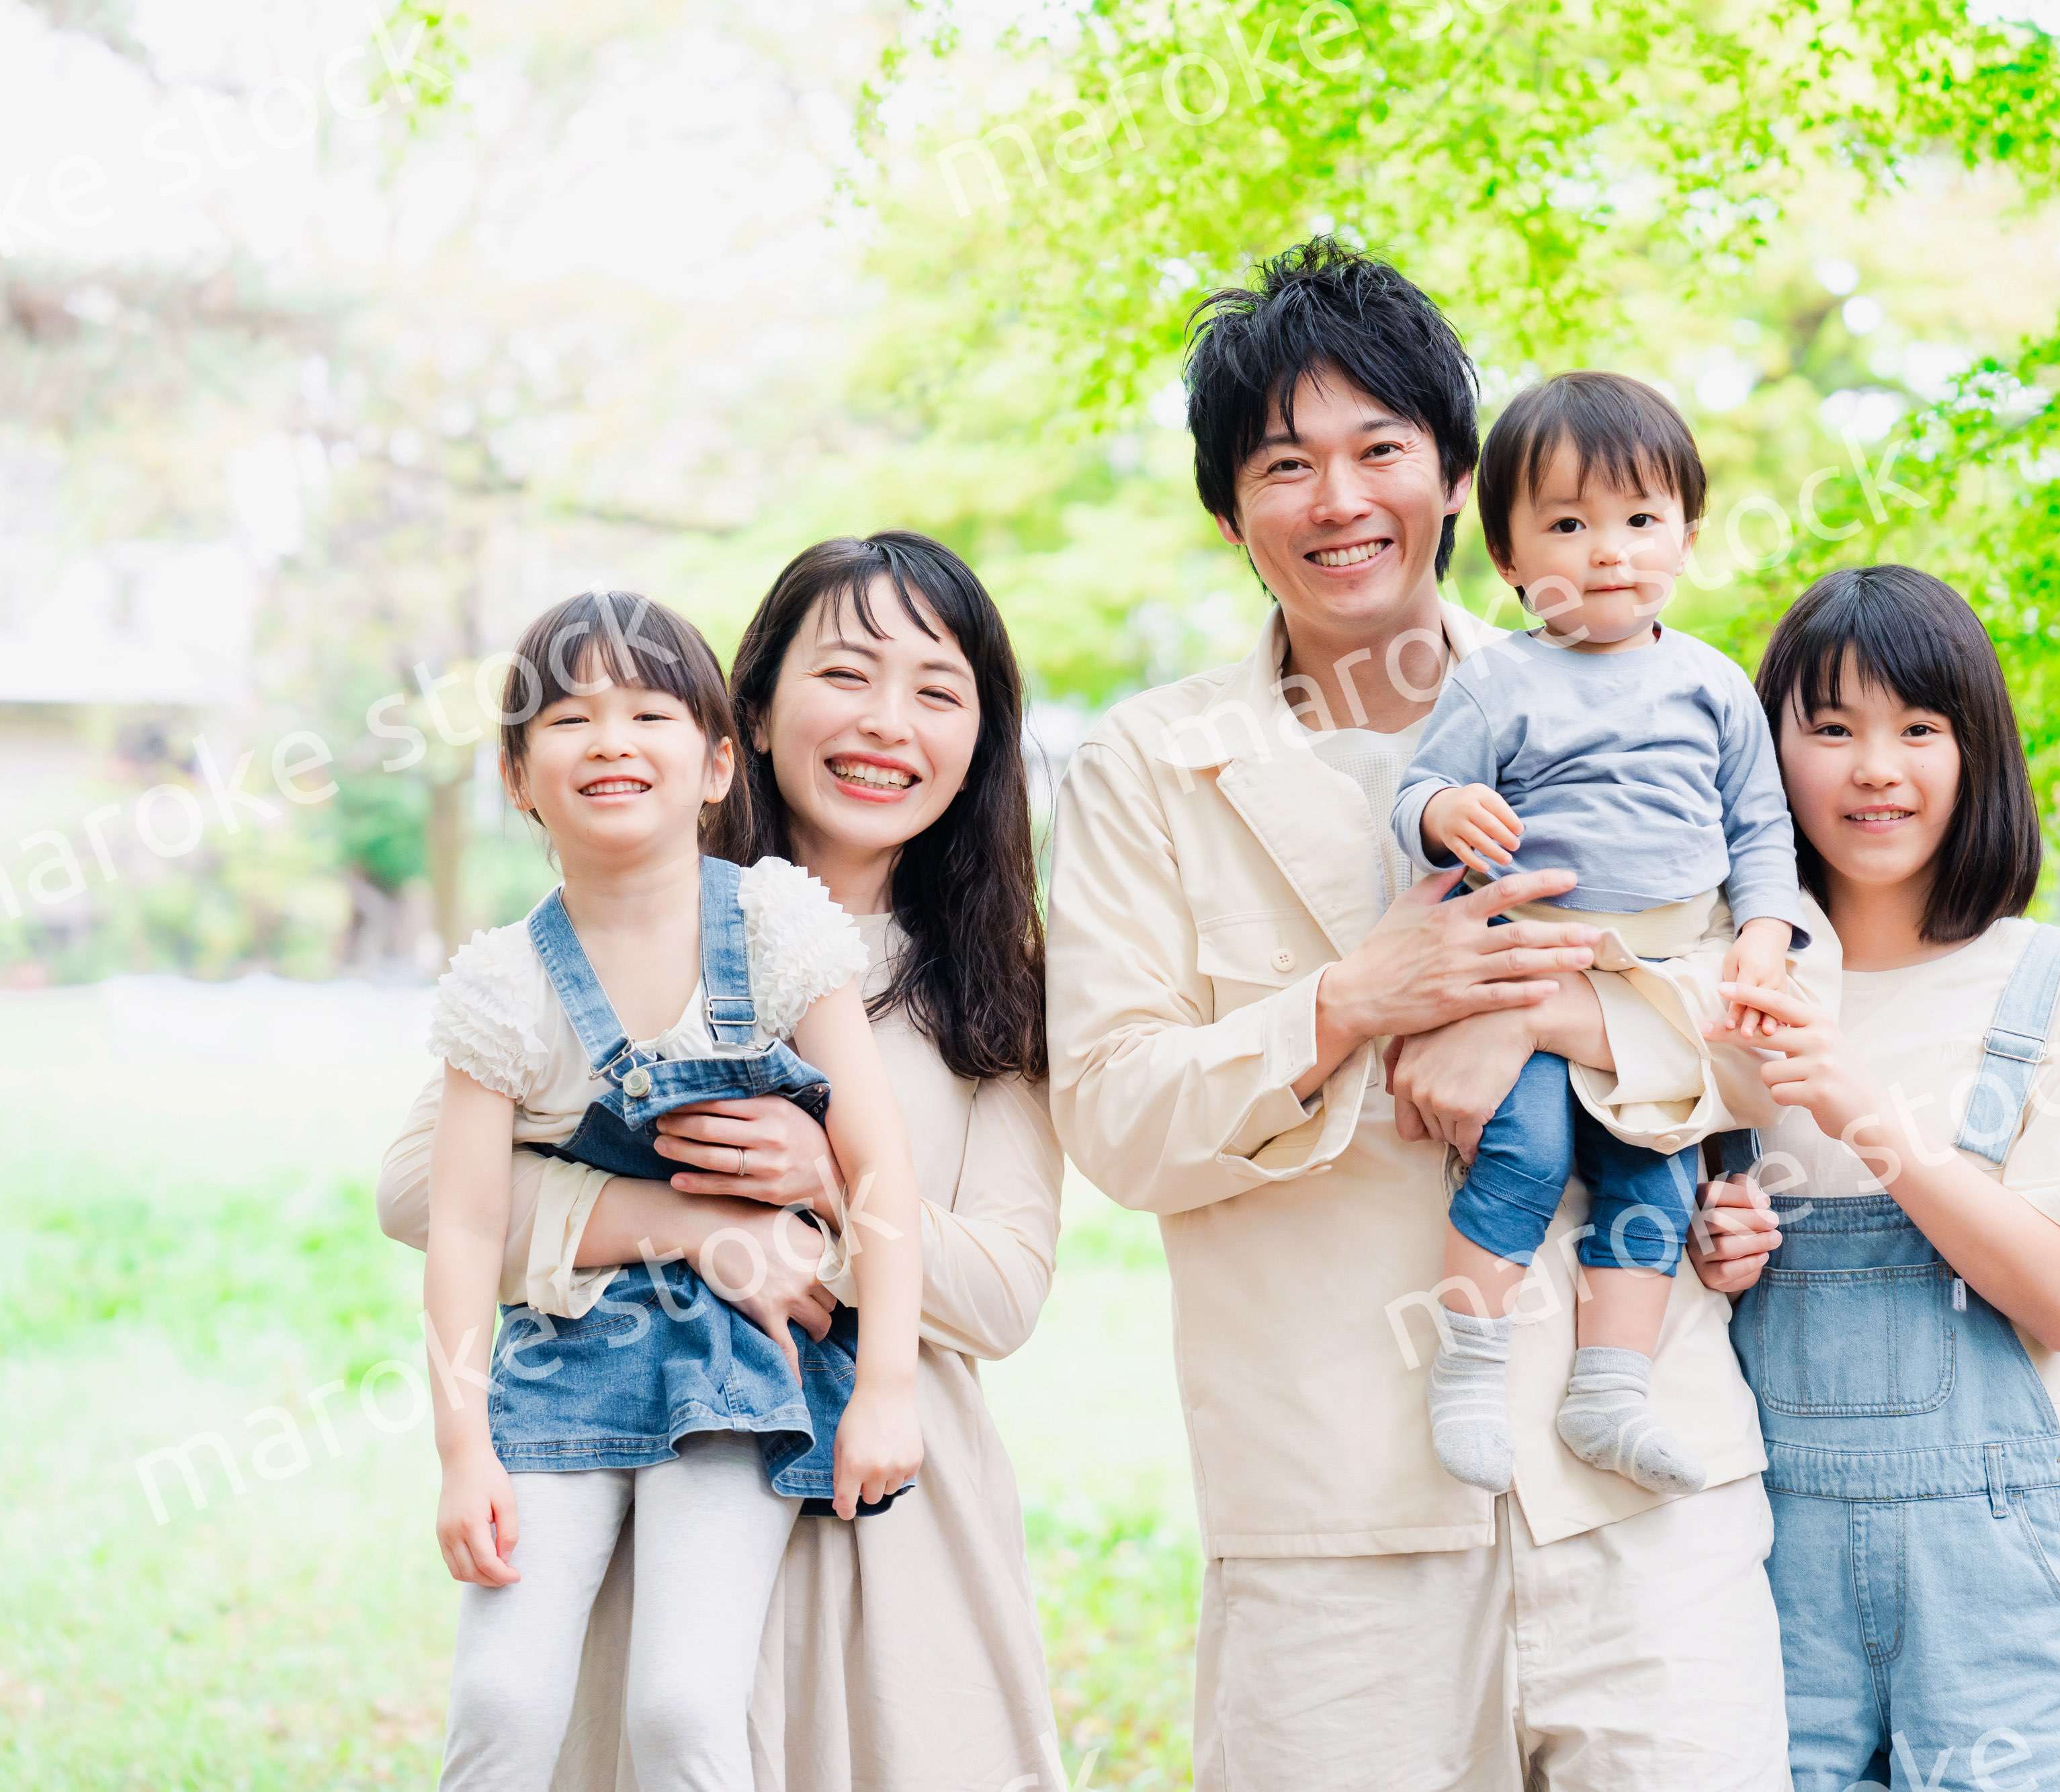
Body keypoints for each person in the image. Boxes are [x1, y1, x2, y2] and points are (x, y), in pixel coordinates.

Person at [1044, 237, 1830, 1791]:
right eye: (1284, 464)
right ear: (1229, 512)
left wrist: (1540, 1025)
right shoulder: (1144, 767)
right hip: (1337, 1520)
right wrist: (1349, 1006)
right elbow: (1117, 1119)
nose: (1338, 500)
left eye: (1378, 450)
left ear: (1457, 478)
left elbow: (1772, 1023)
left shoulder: (1637, 687)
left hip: (1637, 1483)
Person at [380, 535, 1065, 1791]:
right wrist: (694, 1227)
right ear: (743, 721)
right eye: (847, 675)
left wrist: (821, 1195)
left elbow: (1010, 1293)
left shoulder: (991, 983)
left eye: (937, 690)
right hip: (647, 1469)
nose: (886, 724)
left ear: (984, 732)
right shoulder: (616, 932)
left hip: (891, 1521)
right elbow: (424, 1193)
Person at [1697, 563, 2060, 1789]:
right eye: (1831, 728)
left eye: (1921, 727)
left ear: (1978, 756)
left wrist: (1862, 1111)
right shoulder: (1719, 987)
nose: (1877, 768)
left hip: (1999, 1586)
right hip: (1765, 1569)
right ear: (1769, 758)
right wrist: (1710, 1253)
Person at [1391, 370, 1807, 1498]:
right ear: (1511, 561)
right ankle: (1469, 1366)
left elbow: (1761, 828)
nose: (1608, 550)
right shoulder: (1497, 685)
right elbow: (1413, 799)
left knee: (1657, 1179)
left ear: (1685, 530)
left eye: (1639, 518)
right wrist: (1440, 814)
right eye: (1567, 525)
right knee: (1523, 1154)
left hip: (1670, 982)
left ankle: (1610, 1392)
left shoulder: (1714, 687)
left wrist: (1765, 934)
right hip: (1538, 965)